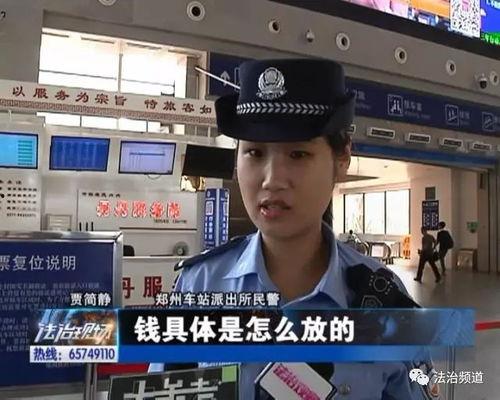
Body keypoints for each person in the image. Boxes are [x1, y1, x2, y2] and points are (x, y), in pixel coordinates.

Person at [150, 59, 438, 399]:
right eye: (254, 153)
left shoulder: (384, 301)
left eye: (298, 154)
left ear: (342, 159)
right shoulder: (198, 286)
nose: (272, 179)